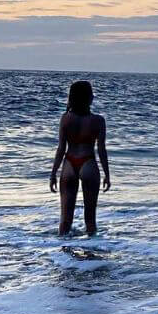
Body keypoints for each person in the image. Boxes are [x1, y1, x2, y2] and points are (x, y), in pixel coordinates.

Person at [49, 78, 110, 236]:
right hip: (88, 163)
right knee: (90, 220)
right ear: (90, 98)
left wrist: (53, 174)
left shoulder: (65, 119)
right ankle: (92, 255)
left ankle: (62, 256)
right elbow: (101, 150)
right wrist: (107, 175)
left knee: (65, 221)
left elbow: (61, 148)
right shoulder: (98, 121)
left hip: (69, 164)